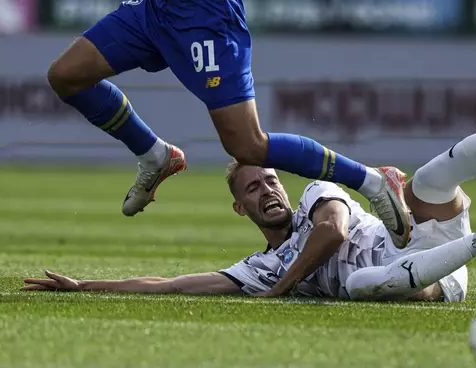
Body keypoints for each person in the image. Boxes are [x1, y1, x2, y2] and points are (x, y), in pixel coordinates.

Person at [22, 115, 476, 302]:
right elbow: (171, 284)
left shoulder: (313, 197)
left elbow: (331, 232)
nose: (269, 190)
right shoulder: (256, 268)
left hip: (416, 233)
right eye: (254, 189)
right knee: (362, 285)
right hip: (432, 277)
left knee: (431, 181)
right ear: (240, 209)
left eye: (270, 179)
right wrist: (87, 286)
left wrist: (282, 288)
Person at [47, 0, 410, 248]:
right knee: (66, 75)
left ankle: (374, 181)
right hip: (151, 11)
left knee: (247, 146)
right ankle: (156, 155)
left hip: (204, 16)